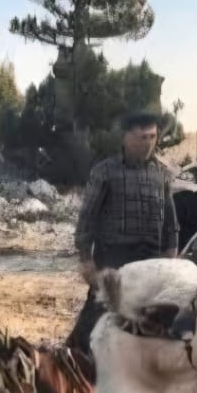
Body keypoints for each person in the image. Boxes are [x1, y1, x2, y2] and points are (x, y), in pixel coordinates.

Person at [69, 111, 180, 358]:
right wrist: (86, 260)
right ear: (127, 137)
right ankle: (79, 368)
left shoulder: (161, 174)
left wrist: (171, 253)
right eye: (142, 137)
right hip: (114, 260)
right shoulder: (105, 172)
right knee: (97, 322)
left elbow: (171, 222)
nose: (149, 142)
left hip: (151, 261)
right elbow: (86, 219)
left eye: (152, 136)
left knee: (151, 325)